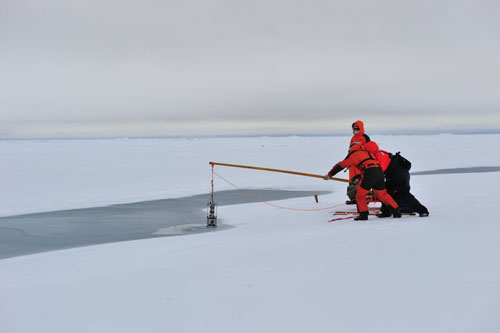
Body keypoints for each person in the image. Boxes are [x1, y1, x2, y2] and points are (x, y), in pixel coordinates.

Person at [323, 143, 401, 220]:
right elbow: (368, 165)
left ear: (351, 148)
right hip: (379, 171)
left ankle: (363, 215)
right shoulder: (367, 153)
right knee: (382, 194)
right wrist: (359, 177)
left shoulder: (353, 154)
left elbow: (341, 165)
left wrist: (330, 174)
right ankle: (396, 210)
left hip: (369, 172)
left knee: (360, 195)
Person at [364, 141, 429, 217]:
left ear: (369, 150)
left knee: (403, 194)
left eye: (366, 151)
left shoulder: (379, 156)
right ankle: (386, 212)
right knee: (386, 193)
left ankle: (423, 210)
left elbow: (379, 172)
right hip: (394, 176)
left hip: (400, 175)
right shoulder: (378, 153)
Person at [346, 121, 371, 204]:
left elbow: (369, 149)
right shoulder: (353, 139)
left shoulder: (365, 137)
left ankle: (365, 198)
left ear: (361, 129)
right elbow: (350, 151)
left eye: (357, 128)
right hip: (353, 164)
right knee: (352, 181)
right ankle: (354, 198)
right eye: (354, 129)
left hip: (362, 163)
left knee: (362, 180)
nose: (356, 130)